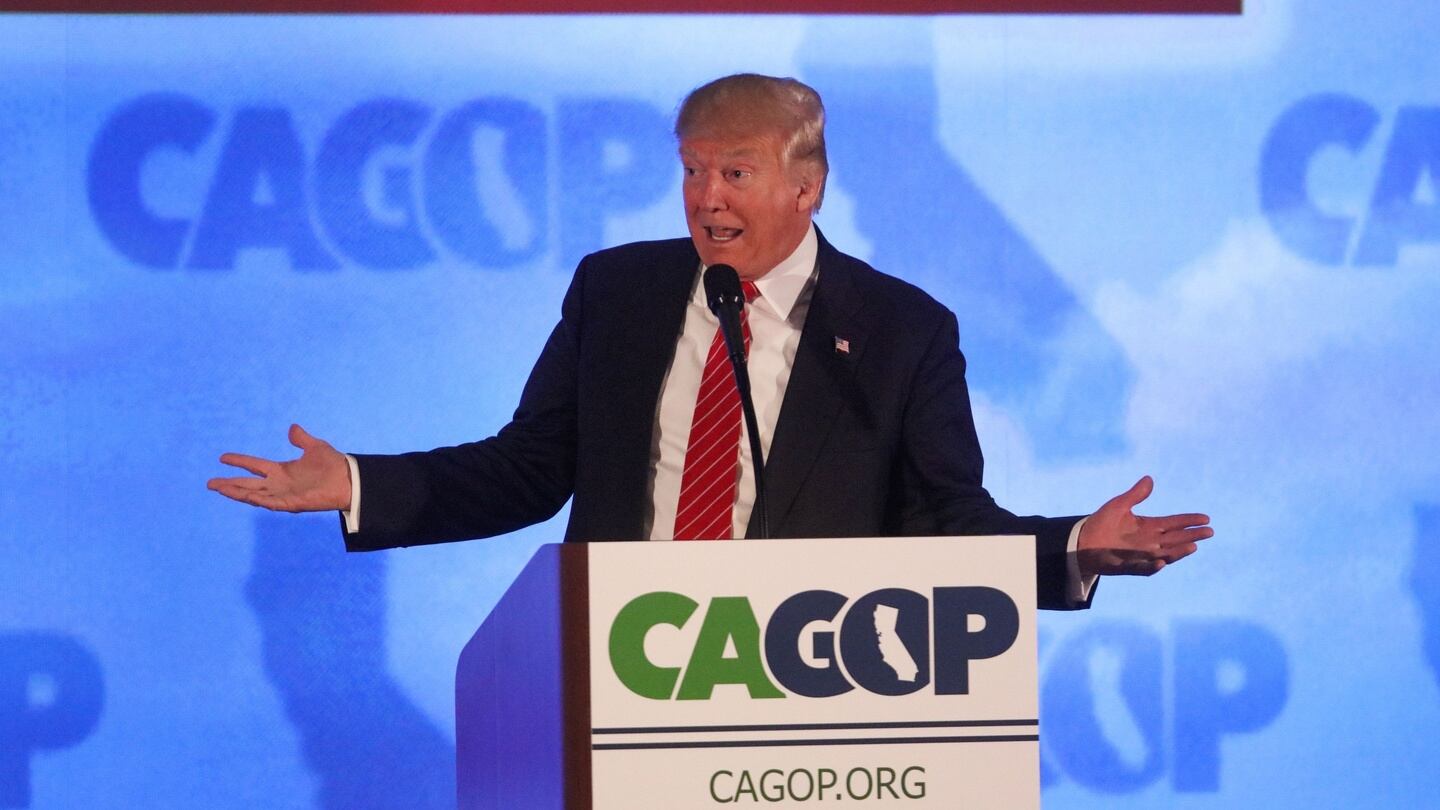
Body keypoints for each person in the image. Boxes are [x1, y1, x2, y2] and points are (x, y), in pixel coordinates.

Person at [208, 73, 1210, 610]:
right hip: (619, 678)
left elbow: (943, 523)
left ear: (805, 187)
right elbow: (529, 468)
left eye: (734, 173)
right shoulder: (620, 292)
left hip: (810, 705)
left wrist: (1071, 546)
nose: (705, 198)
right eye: (692, 172)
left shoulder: (902, 331)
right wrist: (357, 484)